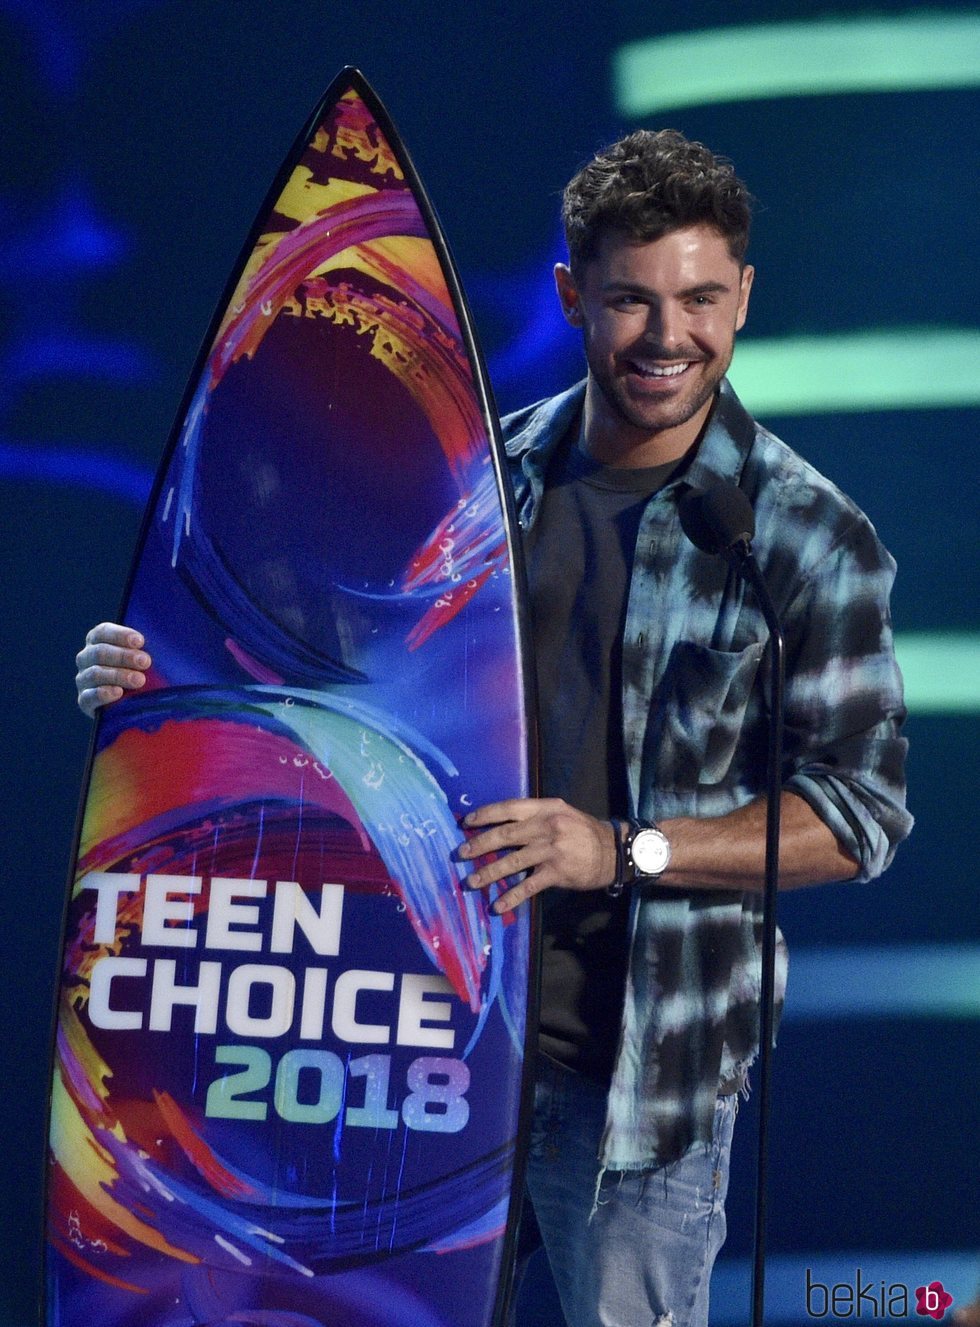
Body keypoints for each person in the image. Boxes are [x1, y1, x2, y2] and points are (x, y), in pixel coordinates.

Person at [75, 130, 912, 1327]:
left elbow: (859, 813)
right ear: (572, 295)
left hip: (634, 1087)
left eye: (698, 299)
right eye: (629, 298)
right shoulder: (465, 485)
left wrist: (620, 849)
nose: (667, 336)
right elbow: (326, 693)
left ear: (743, 299)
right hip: (409, 1053)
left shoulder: (802, 537)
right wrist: (159, 687)